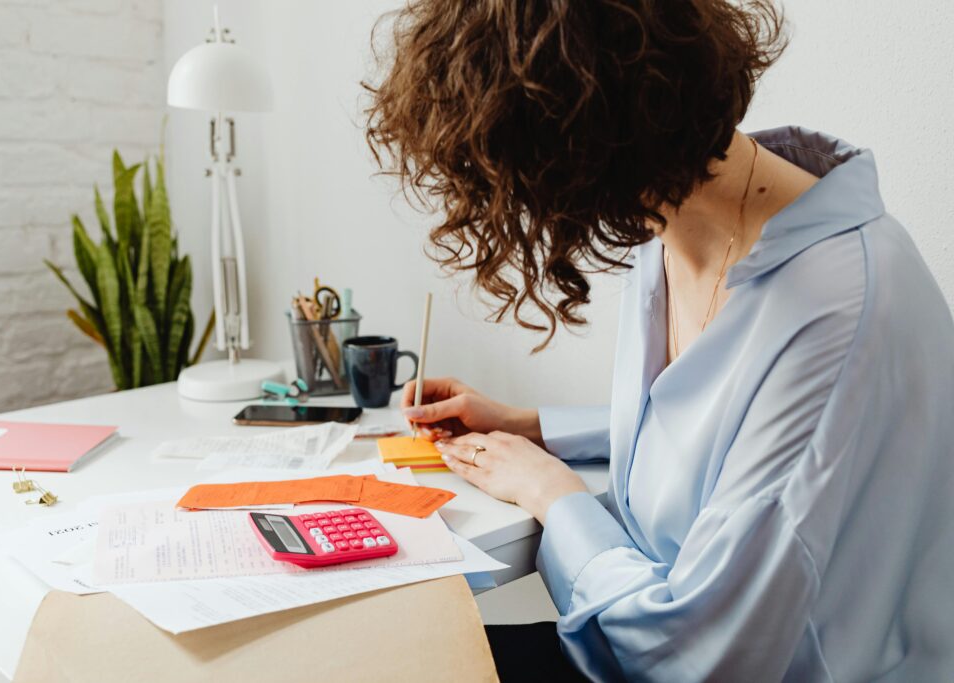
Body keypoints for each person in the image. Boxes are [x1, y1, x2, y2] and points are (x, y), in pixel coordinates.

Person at [364, 0, 954, 681]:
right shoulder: (672, 226)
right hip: (631, 632)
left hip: (697, 656)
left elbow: (701, 651)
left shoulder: (834, 310)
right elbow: (723, 441)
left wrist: (556, 496)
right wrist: (530, 426)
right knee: (373, 653)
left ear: (582, 150)